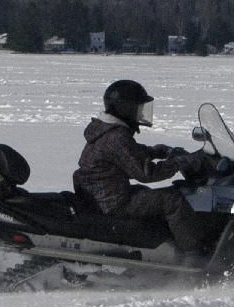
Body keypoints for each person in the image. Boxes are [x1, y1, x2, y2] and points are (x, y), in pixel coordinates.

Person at [72, 79, 207, 253]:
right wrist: (180, 162)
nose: (141, 113)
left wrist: (157, 151)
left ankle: (165, 243)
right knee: (172, 200)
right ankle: (194, 255)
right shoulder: (116, 136)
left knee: (150, 195)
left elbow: (127, 154)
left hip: (105, 196)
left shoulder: (105, 130)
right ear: (125, 108)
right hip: (113, 203)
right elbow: (146, 173)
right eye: (138, 108)